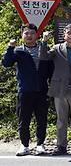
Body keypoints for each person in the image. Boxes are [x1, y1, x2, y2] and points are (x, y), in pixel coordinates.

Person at [39, 24, 71, 156]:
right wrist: (44, 41)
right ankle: (61, 146)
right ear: (64, 35)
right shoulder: (57, 48)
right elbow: (43, 56)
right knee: (61, 120)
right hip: (60, 89)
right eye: (69, 33)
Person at [3, 24, 53, 156]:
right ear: (22, 35)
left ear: (37, 35)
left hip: (42, 90)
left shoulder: (44, 49)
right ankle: (24, 145)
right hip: (25, 91)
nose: (29, 36)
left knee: (41, 119)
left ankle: (40, 145)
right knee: (23, 120)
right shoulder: (18, 50)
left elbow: (50, 69)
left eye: (32, 33)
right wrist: (10, 47)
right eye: (26, 33)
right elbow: (6, 63)